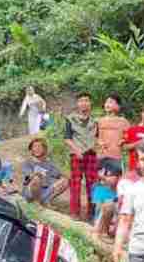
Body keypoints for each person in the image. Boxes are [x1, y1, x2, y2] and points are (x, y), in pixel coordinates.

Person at [65, 93, 99, 221]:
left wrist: (96, 145)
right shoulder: (70, 119)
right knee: (76, 183)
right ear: (77, 104)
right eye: (81, 101)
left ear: (90, 104)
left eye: (86, 100)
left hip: (92, 154)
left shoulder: (95, 121)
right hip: (76, 155)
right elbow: (67, 138)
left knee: (92, 183)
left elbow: (97, 137)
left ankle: (92, 212)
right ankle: (75, 212)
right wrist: (76, 150)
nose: (84, 103)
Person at [21, 137, 67, 205]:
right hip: (30, 192)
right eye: (34, 147)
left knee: (65, 181)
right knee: (36, 179)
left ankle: (46, 200)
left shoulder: (49, 163)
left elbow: (60, 175)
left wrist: (61, 179)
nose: (37, 149)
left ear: (44, 149)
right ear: (31, 150)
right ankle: (37, 203)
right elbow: (27, 177)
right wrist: (36, 175)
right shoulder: (28, 163)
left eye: (39, 146)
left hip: (45, 191)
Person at [93, 159, 122, 241]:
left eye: (110, 176)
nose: (107, 178)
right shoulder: (100, 189)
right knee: (108, 205)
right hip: (104, 223)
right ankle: (104, 232)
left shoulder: (123, 188)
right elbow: (99, 212)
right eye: (106, 175)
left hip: (118, 223)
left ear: (119, 176)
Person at [96, 94, 131, 162]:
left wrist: (123, 140)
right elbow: (95, 137)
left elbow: (129, 135)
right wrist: (99, 142)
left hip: (117, 156)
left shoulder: (123, 121)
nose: (107, 104)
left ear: (118, 106)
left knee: (116, 172)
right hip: (101, 155)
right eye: (106, 102)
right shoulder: (100, 121)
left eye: (111, 102)